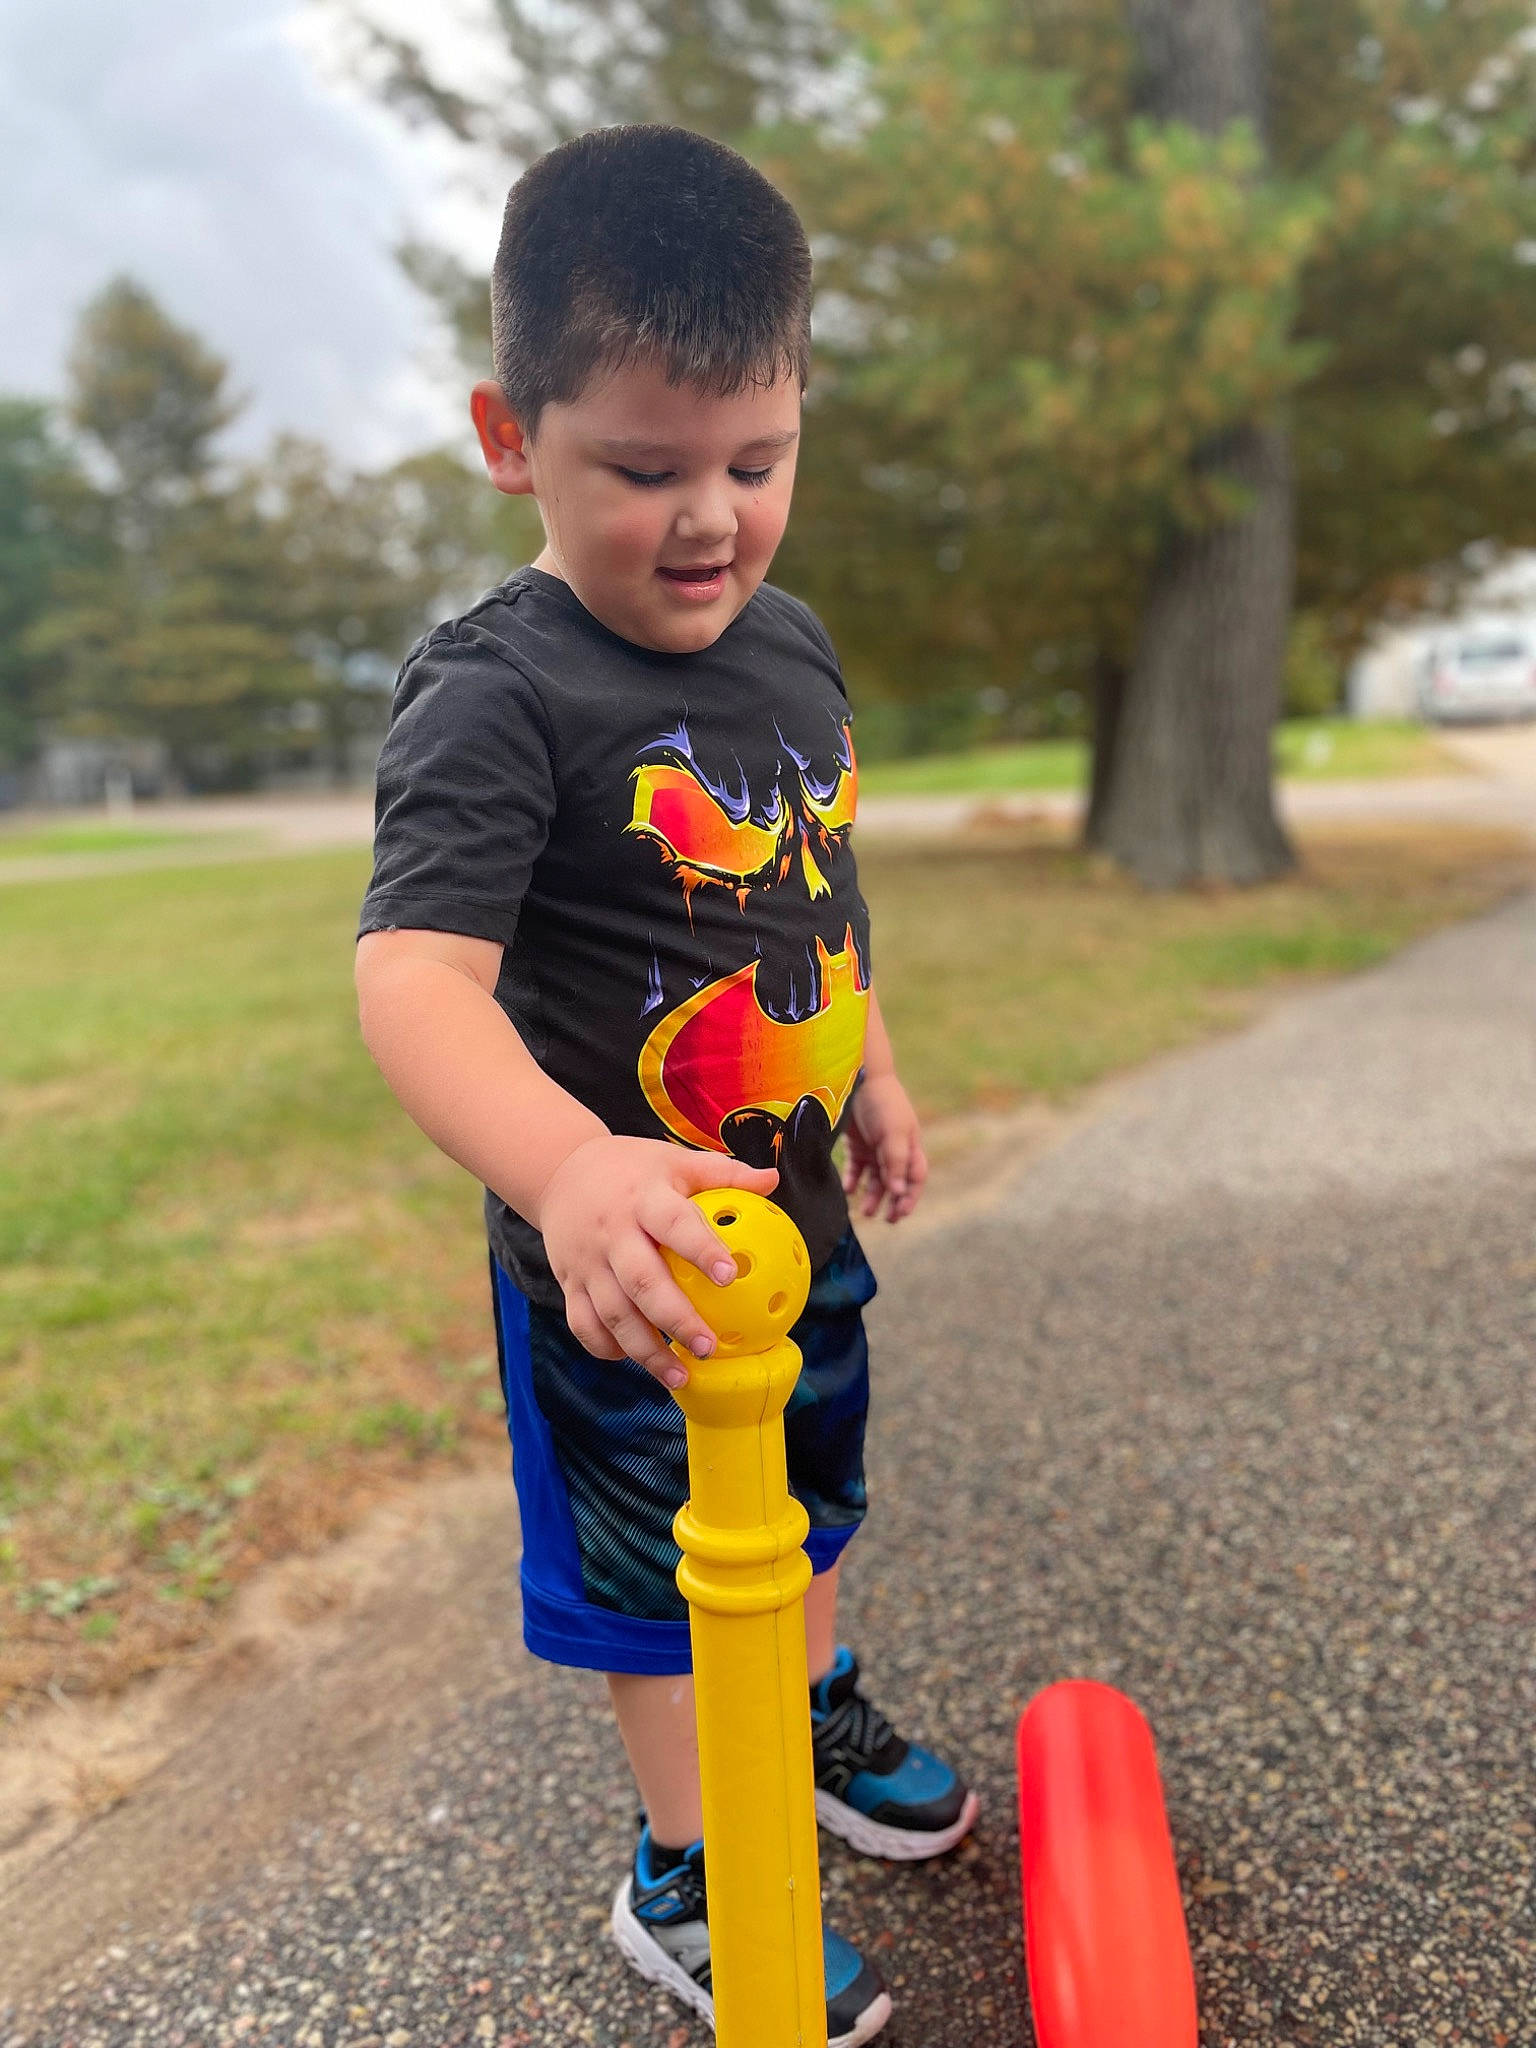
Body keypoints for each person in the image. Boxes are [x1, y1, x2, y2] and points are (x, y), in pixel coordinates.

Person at [354, 123, 977, 2048]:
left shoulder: (791, 648)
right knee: (659, 1575)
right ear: (511, 436)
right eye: (646, 472)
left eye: (755, 462)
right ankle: (688, 1865)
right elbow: (414, 979)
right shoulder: (496, 691)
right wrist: (565, 1174)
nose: (711, 519)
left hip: (792, 1228)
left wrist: (873, 1069)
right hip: (621, 1273)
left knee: (809, 1493)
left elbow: (819, 891)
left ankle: (809, 1713)